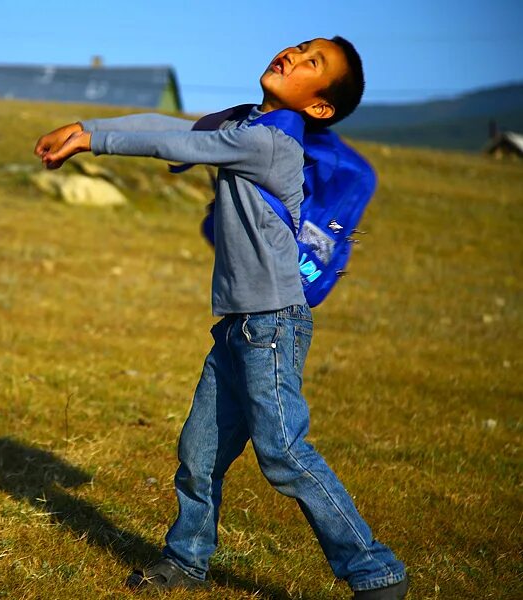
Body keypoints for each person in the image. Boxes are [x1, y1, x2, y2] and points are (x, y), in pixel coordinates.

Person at [33, 37, 408, 599]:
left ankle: (375, 572)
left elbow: (175, 145)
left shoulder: (271, 141)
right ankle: (186, 560)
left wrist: (95, 139)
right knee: (200, 451)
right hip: (239, 325)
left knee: (283, 452)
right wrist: (87, 125)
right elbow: (176, 127)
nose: (294, 57)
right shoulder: (246, 124)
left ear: (320, 107)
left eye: (313, 64)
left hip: (272, 325)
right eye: (300, 48)